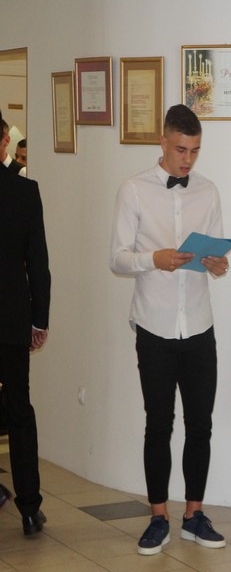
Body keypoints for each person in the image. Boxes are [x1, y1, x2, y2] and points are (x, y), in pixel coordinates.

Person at [110, 104, 230, 556]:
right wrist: (153, 259)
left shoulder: (208, 191)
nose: (188, 160)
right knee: (158, 424)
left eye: (195, 151)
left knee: (201, 425)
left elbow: (217, 254)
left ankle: (194, 515)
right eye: (181, 150)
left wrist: (218, 264)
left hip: (199, 324)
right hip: (154, 326)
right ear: (163, 142)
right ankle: (158, 517)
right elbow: (117, 258)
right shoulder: (133, 190)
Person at [0, 112, 50, 536]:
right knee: (19, 409)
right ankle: (30, 508)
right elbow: (38, 262)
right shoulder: (24, 191)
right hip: (12, 316)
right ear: (4, 143)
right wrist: (40, 318)